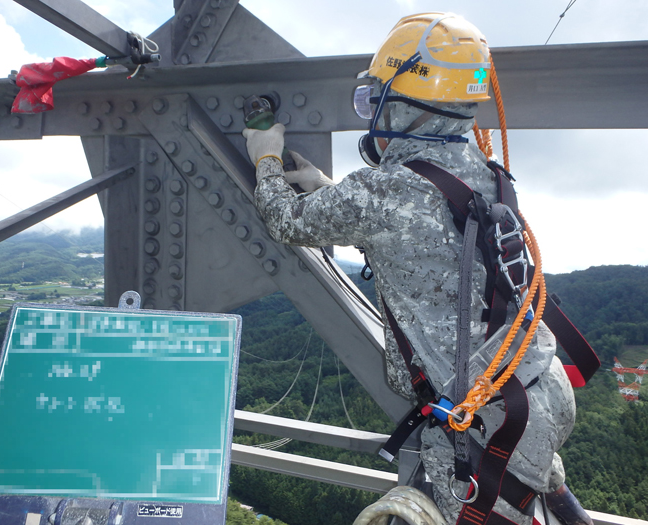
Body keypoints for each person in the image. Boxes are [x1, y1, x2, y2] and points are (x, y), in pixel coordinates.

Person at [243, 12, 591, 525]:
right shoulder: (486, 167)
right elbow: (422, 238)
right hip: (538, 385)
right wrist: (327, 187)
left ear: (406, 102)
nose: (373, 112)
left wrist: (265, 158)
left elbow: (286, 221)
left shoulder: (384, 190)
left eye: (376, 97)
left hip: (487, 423)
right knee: (527, 495)